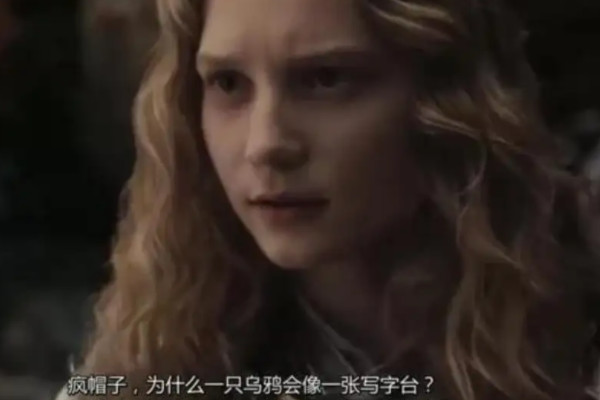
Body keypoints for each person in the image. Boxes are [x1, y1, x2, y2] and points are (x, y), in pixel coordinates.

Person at [58, 0, 600, 399]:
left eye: (325, 79)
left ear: (447, 103)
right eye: (228, 83)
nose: (265, 144)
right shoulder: (151, 366)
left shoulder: (577, 328)